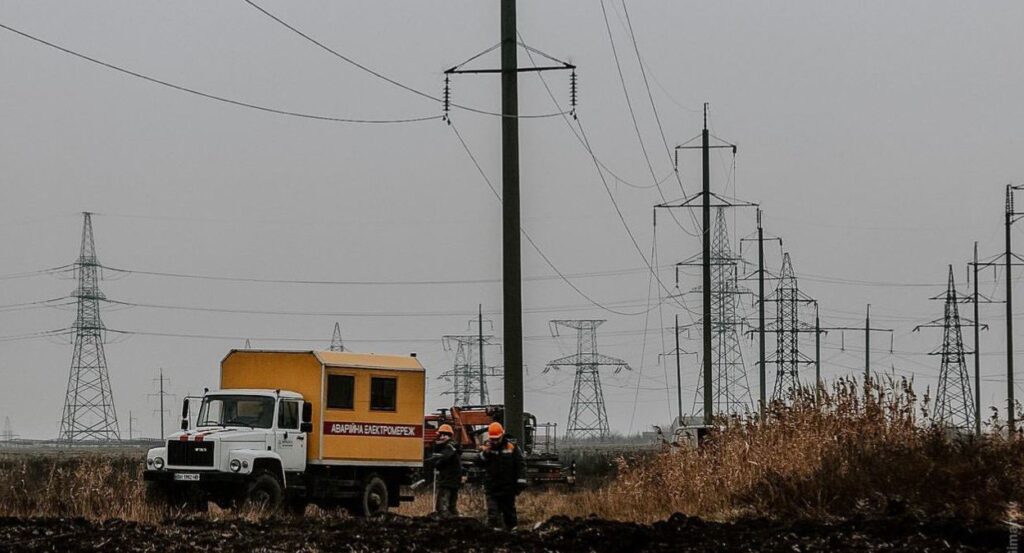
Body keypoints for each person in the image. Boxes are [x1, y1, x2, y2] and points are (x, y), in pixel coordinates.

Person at [474, 421, 527, 530]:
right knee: (493, 514)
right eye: (493, 439)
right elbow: (478, 462)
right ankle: (495, 535)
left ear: (502, 435)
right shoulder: (487, 448)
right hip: (492, 487)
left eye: (497, 439)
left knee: (509, 512)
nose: (495, 441)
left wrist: (520, 481)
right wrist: (485, 454)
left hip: (508, 487)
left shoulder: (511, 447)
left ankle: (512, 532)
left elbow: (520, 465)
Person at [426, 423, 462, 517]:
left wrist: (434, 462)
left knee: (443, 507)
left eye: (444, 435)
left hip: (448, 481)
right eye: (441, 435)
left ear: (449, 436)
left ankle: (446, 523)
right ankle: (455, 522)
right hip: (452, 480)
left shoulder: (450, 447)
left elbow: (443, 458)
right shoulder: (451, 446)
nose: (442, 437)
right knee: (451, 507)